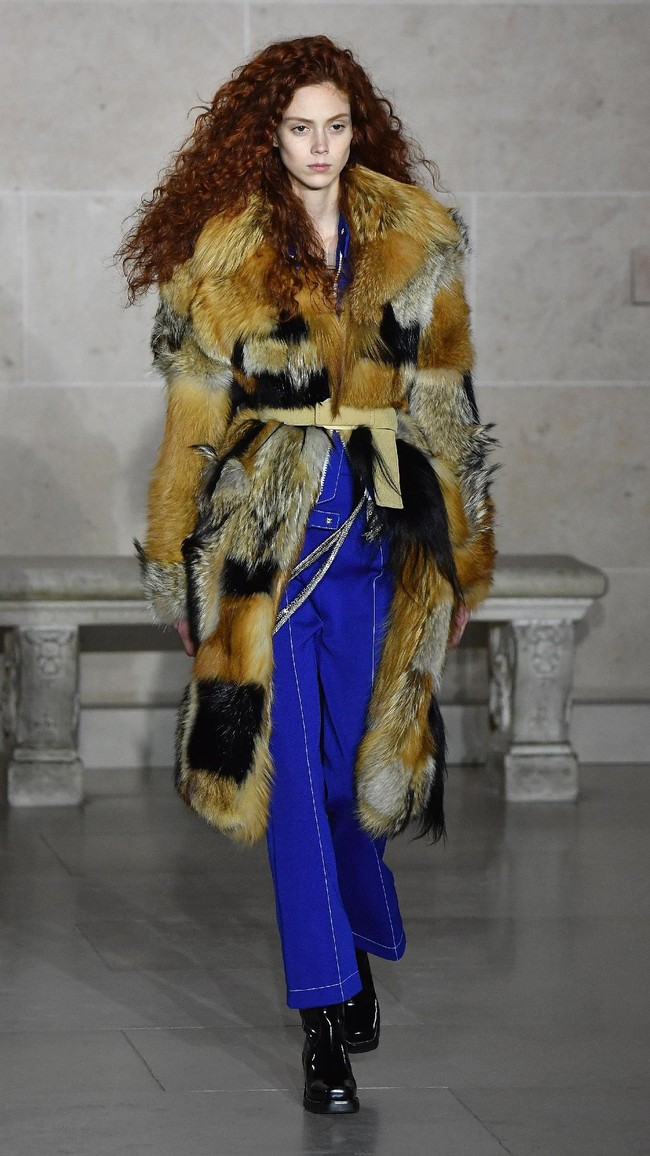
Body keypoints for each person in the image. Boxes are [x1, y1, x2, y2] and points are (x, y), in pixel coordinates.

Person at [118, 35, 496, 1114]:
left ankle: (360, 940)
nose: (319, 146)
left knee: (345, 780)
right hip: (262, 548)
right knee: (286, 786)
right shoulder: (221, 257)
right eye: (298, 127)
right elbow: (189, 429)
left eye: (334, 125)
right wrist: (175, 574)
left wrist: (456, 567)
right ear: (266, 134)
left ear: (356, 127)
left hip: (378, 532)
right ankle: (322, 1020)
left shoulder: (412, 242)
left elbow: (449, 407)